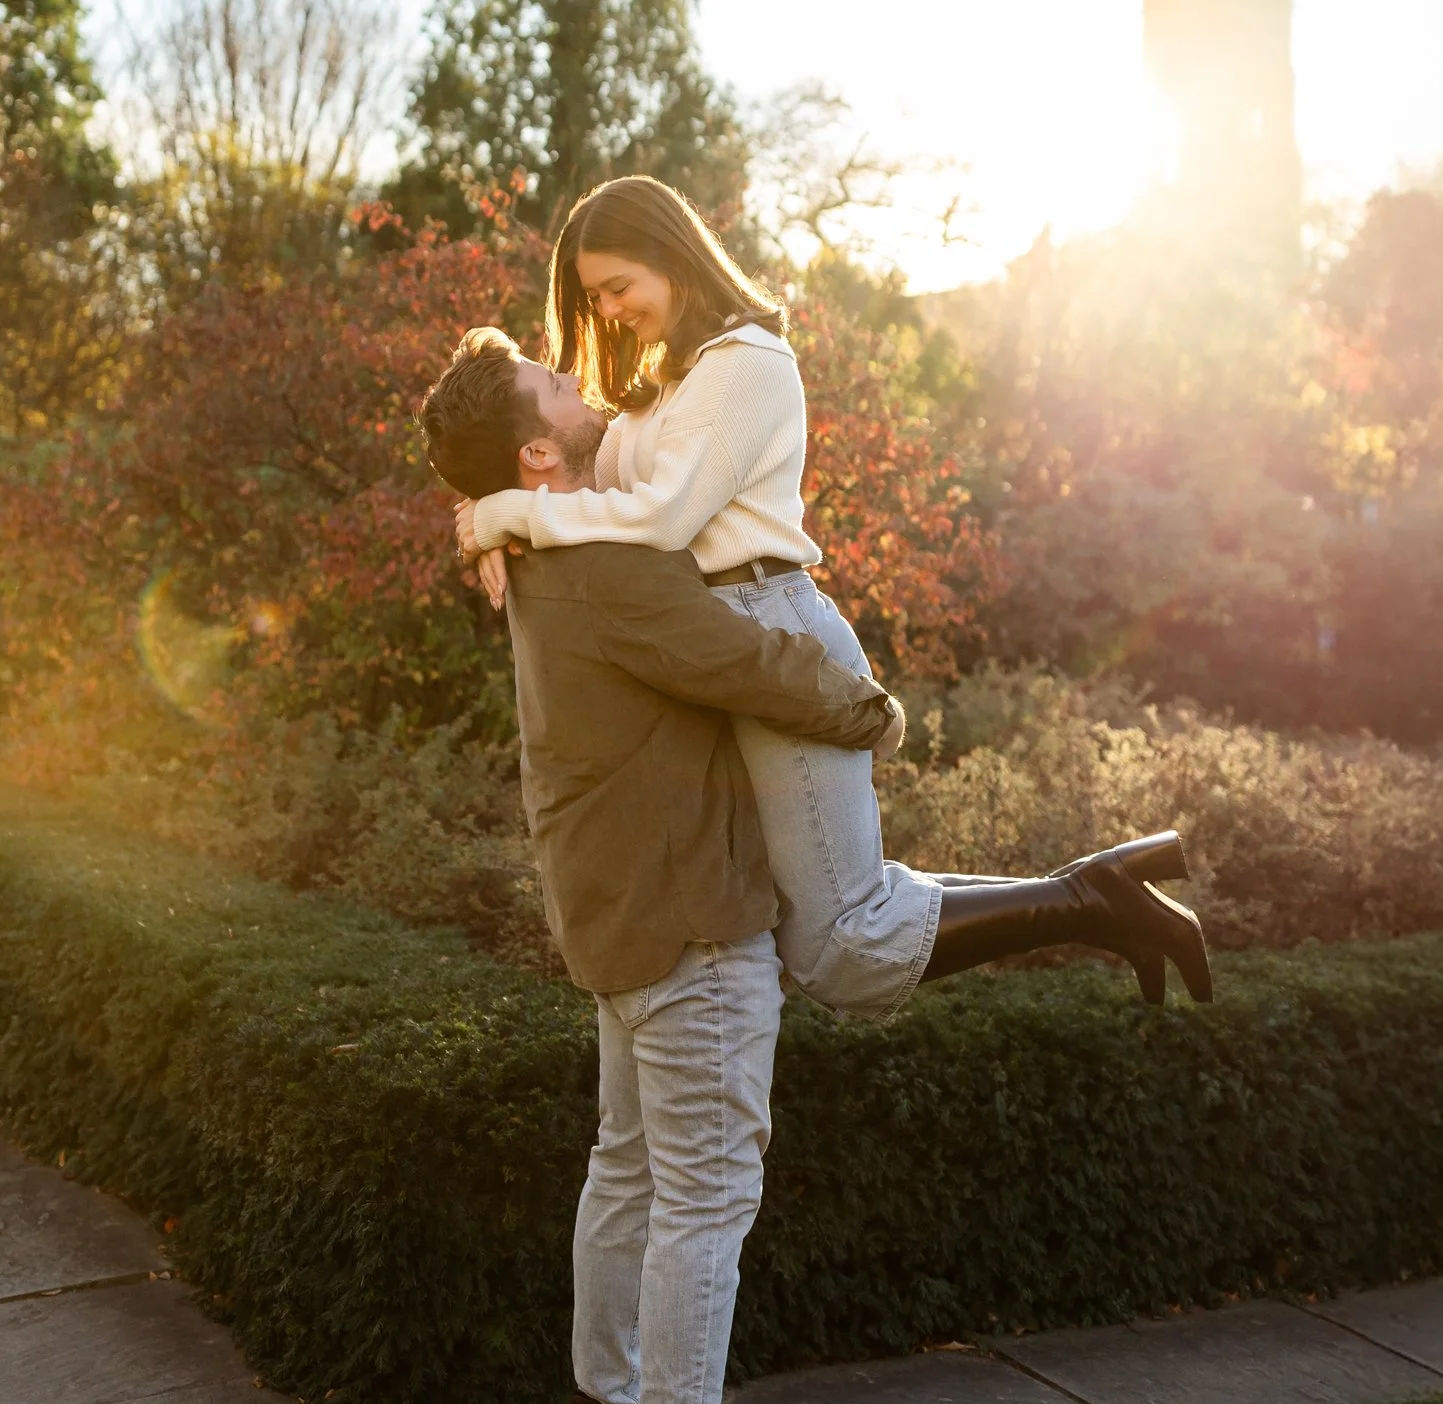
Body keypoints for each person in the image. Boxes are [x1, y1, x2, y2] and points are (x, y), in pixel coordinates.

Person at [418, 331, 1210, 1404]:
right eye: (557, 390)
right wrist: (869, 708)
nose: (585, 387)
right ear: (533, 450)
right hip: (689, 924)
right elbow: (745, 664)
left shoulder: (533, 555)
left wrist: (487, 514)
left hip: (613, 913)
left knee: (626, 1174)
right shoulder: (604, 565)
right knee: (704, 1203)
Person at [454, 176, 1211, 1019]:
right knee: (816, 928)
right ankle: (1086, 890)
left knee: (843, 945)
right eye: (593, 296)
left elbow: (661, 517)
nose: (606, 310)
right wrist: (484, 513)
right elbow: (579, 481)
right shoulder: (663, 380)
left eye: (616, 287)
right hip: (705, 638)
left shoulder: (745, 363)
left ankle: (1087, 901)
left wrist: (510, 510)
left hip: (764, 623)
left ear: (671, 257)